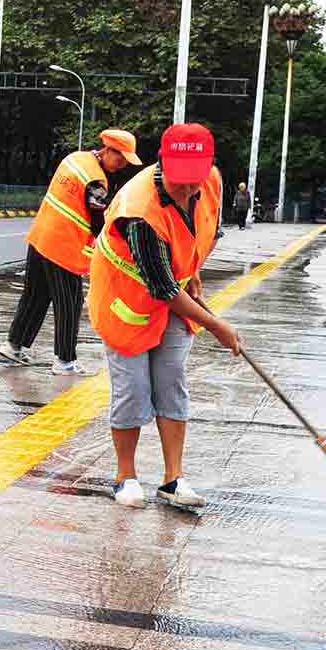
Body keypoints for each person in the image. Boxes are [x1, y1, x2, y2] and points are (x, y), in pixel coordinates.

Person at [89, 122, 238, 510]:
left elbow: (202, 235)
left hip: (174, 290)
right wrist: (217, 325)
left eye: (196, 181)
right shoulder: (138, 209)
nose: (190, 190)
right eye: (181, 183)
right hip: (126, 301)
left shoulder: (212, 182)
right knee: (133, 390)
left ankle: (173, 480)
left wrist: (196, 276)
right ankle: (125, 477)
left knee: (171, 382)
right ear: (162, 165)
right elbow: (162, 288)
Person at [0, 129, 141, 376]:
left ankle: (13, 346)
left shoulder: (74, 159)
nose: (122, 165)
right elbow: (100, 221)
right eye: (121, 159)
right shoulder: (96, 180)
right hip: (62, 247)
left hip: (40, 237)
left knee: (35, 296)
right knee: (69, 303)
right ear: (109, 150)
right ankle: (65, 362)